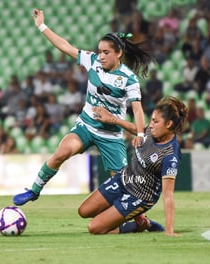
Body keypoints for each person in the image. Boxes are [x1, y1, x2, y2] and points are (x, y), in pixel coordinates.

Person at [13, 9, 153, 206]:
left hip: (110, 135)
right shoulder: (93, 61)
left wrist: (139, 134)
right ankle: (34, 190)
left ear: (119, 53)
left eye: (106, 52)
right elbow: (66, 47)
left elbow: (138, 110)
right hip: (86, 126)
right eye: (99, 51)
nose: (101, 56)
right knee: (61, 153)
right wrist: (41, 26)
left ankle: (142, 221)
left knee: (123, 186)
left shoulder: (129, 79)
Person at [78, 96, 188, 236]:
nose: (151, 125)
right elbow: (138, 129)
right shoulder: (152, 131)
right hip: (123, 180)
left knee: (95, 228)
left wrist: (169, 230)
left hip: (139, 196)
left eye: (155, 121)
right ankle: (126, 217)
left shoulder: (169, 155)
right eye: (151, 120)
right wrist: (113, 120)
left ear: (168, 124)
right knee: (84, 211)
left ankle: (140, 225)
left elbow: (168, 195)